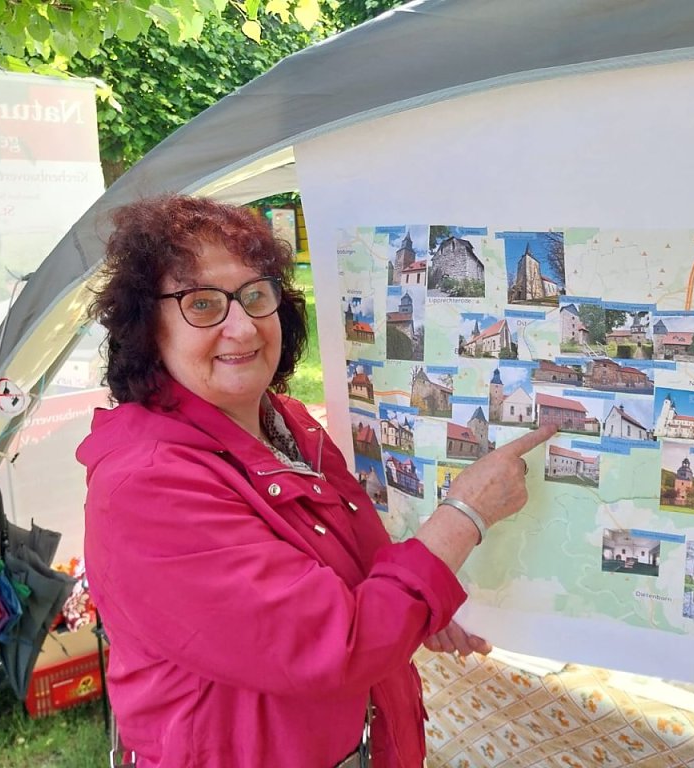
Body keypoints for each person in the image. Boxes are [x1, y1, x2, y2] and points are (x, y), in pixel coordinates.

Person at [77, 195, 554, 768]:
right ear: (147, 328)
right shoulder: (146, 487)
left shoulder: (286, 424)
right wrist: (467, 514)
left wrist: (415, 606)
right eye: (202, 304)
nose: (241, 326)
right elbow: (335, 645)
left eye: (256, 295)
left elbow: (359, 570)